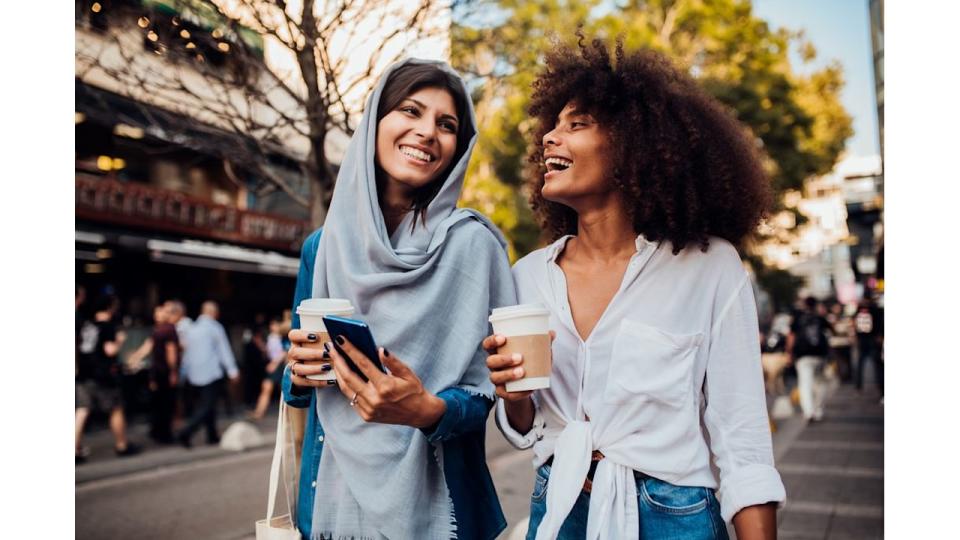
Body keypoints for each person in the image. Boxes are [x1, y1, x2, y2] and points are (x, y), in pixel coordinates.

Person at [484, 37, 785, 540]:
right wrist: (511, 392)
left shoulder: (708, 267)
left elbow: (743, 441)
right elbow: (526, 427)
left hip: (674, 513)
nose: (550, 139)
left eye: (576, 124)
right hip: (557, 506)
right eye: (552, 126)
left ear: (632, 144)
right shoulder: (528, 276)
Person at [282, 59, 516, 540]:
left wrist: (429, 410)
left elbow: (491, 390)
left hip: (441, 501)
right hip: (332, 503)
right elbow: (297, 384)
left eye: (446, 124)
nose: (427, 132)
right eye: (411, 111)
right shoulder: (322, 248)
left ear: (458, 148)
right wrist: (298, 371)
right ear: (375, 123)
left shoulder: (474, 246)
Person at [75, 294, 141, 460]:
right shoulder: (108, 326)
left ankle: (74, 449)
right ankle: (122, 445)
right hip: (103, 375)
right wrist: (119, 341)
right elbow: (110, 350)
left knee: (82, 410)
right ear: (111, 306)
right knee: (116, 409)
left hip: (85, 372)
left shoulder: (88, 325)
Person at [176, 300, 238, 447]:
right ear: (213, 312)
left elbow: (186, 353)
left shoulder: (191, 328)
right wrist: (232, 370)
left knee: (208, 405)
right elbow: (224, 350)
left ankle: (212, 435)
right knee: (207, 406)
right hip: (211, 372)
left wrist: (183, 374)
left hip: (193, 374)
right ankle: (186, 431)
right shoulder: (215, 328)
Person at [128, 304, 181, 443]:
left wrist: (134, 358)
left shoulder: (158, 331)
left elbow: (147, 347)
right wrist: (173, 371)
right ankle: (164, 434)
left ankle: (157, 431)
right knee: (165, 404)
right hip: (163, 372)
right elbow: (171, 353)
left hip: (157, 371)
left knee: (159, 403)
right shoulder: (169, 330)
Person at [787, 297, 832, 422]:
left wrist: (789, 353)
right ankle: (818, 410)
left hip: (803, 356)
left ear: (804, 304)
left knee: (805, 384)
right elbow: (830, 332)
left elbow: (791, 336)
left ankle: (809, 412)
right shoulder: (819, 318)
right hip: (819, 356)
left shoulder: (797, 317)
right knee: (821, 383)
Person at [248, 318, 286, 420]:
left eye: (275, 325)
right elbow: (269, 352)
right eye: (272, 325)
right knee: (266, 388)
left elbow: (284, 352)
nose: (272, 327)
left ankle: (286, 414)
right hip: (273, 365)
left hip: (280, 366)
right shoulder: (271, 337)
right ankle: (259, 411)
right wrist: (260, 345)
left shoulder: (283, 338)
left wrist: (273, 364)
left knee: (283, 390)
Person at [853, 296, 884, 397]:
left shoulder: (861, 310)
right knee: (876, 365)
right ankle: (879, 388)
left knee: (875, 365)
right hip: (869, 340)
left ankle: (879, 388)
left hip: (869, 340)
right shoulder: (875, 310)